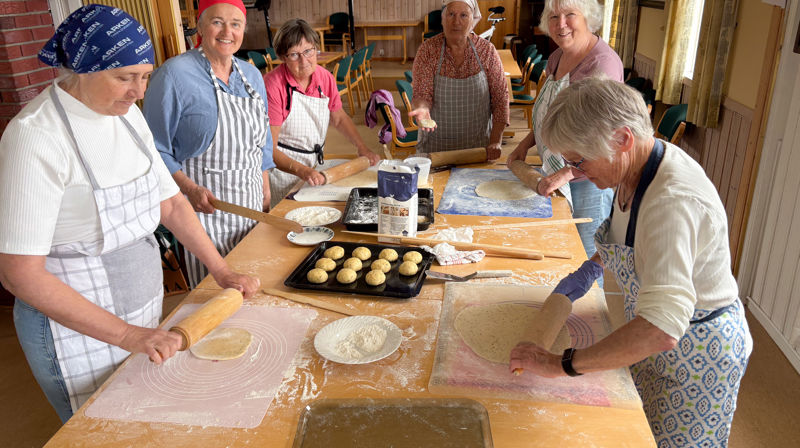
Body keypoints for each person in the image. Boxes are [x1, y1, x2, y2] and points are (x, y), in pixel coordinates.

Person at [0, 5, 259, 423]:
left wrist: (221, 271)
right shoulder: (36, 139)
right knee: (102, 429)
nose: (138, 91)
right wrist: (126, 334)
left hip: (140, 315)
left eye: (144, 77)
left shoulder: (127, 118)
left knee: (143, 419)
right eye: (124, 78)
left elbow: (171, 202)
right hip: (73, 333)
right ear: (81, 69)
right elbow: (19, 273)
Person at [509, 77, 752, 447]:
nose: (576, 171)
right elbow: (630, 244)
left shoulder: (671, 202)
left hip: (697, 357)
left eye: (580, 160)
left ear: (623, 139)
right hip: (657, 336)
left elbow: (660, 330)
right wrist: (586, 272)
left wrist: (561, 364)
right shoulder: (636, 166)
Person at [144, 0, 273, 287]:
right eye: (217, 22)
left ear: (244, 29)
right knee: (215, 302)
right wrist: (189, 188)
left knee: (254, 290)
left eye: (235, 23)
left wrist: (265, 182)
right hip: (203, 214)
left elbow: (262, 136)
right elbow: (153, 148)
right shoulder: (174, 75)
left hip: (250, 207)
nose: (227, 31)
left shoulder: (250, 74)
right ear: (200, 26)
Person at [507, 0, 622, 265]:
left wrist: (567, 173)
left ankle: (589, 306)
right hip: (555, 172)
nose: (561, 24)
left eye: (571, 15)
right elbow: (550, 114)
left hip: (588, 181)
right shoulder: (558, 56)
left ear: (588, 18)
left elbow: (607, 141)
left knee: (586, 257)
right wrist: (526, 143)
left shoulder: (602, 66)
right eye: (554, 16)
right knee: (562, 251)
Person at [264, 19, 380, 208]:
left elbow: (339, 118)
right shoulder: (273, 85)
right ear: (283, 57)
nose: (304, 61)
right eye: (294, 54)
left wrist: (362, 148)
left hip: (313, 164)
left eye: (309, 51)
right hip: (284, 170)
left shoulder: (324, 77)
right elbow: (270, 149)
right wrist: (302, 171)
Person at [409, 0, 509, 157]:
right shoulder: (428, 50)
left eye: (463, 15)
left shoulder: (486, 51)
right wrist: (422, 108)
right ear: (443, 19)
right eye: (451, 14)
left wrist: (495, 141)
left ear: (472, 19)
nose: (456, 22)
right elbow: (422, 93)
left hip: (477, 149)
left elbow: (500, 98)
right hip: (437, 149)